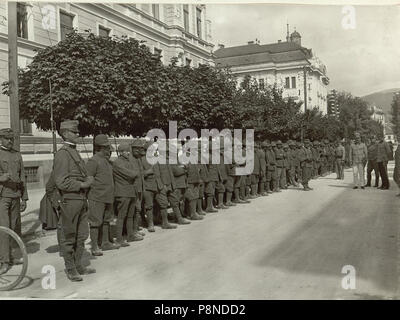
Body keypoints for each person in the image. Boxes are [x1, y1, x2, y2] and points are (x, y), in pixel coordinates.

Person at [53, 120, 95, 281]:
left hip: (81, 199)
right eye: (74, 132)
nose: (78, 134)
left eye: (77, 132)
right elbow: (61, 181)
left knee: (82, 234)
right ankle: (70, 269)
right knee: (69, 235)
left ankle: (78, 265)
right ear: (64, 133)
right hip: (70, 200)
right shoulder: (63, 154)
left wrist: (87, 179)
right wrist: (83, 183)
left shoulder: (74, 152)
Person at [0, 128, 28, 275]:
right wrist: (1, 178)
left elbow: (23, 176)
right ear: (1, 139)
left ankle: (11, 257)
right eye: (6, 138)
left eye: (11, 139)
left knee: (15, 228)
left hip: (16, 195)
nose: (10, 141)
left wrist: (25, 197)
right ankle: (4, 261)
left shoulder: (17, 154)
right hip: (2, 197)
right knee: (4, 229)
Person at [86, 134, 119, 255]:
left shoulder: (107, 161)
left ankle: (105, 243)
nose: (108, 150)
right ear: (100, 147)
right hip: (97, 197)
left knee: (107, 220)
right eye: (106, 148)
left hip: (108, 196)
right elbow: (88, 179)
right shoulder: (93, 161)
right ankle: (94, 246)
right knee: (95, 222)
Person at [112, 143, 138, 246]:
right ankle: (119, 239)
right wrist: (134, 173)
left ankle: (130, 236)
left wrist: (134, 173)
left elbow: (134, 173)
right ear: (121, 152)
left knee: (130, 216)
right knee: (121, 216)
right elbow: (132, 174)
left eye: (128, 151)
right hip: (122, 192)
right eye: (126, 151)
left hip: (130, 192)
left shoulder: (127, 161)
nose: (128, 153)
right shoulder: (117, 163)